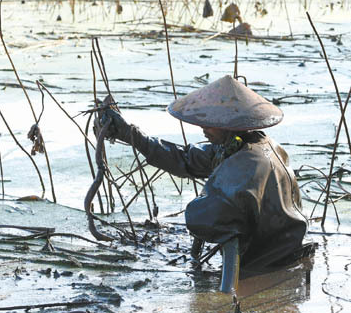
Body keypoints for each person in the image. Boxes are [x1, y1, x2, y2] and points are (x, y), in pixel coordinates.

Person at [100, 75, 309, 273]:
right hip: (283, 251)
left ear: (230, 123)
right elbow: (186, 158)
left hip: (268, 263)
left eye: (210, 121)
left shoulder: (245, 163)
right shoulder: (244, 145)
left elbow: (204, 218)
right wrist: (130, 134)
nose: (202, 126)